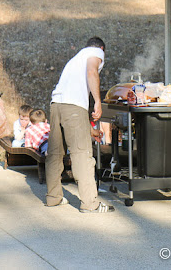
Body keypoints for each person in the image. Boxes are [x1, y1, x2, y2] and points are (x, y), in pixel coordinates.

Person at [46, 37, 114, 213]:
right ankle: (90, 204)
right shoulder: (96, 52)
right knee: (82, 155)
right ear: (101, 48)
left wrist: (90, 130)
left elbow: (69, 107)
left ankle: (53, 198)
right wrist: (97, 101)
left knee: (55, 154)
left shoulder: (75, 59)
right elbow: (92, 72)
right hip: (73, 108)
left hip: (56, 105)